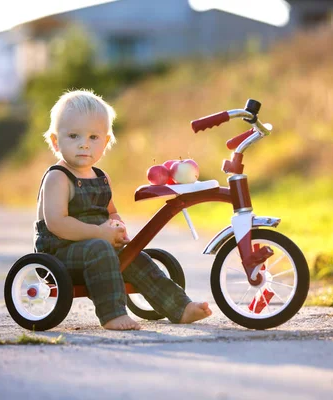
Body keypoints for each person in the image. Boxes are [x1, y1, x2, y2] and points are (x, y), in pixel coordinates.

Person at [34, 89, 212, 330]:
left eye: (93, 138)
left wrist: (116, 228)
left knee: (135, 256)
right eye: (74, 136)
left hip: (97, 246)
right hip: (60, 252)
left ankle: (180, 307)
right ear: (56, 141)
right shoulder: (58, 177)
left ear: (106, 142)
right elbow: (57, 223)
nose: (84, 145)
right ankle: (112, 314)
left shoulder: (101, 177)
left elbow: (111, 212)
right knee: (99, 249)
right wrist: (99, 234)